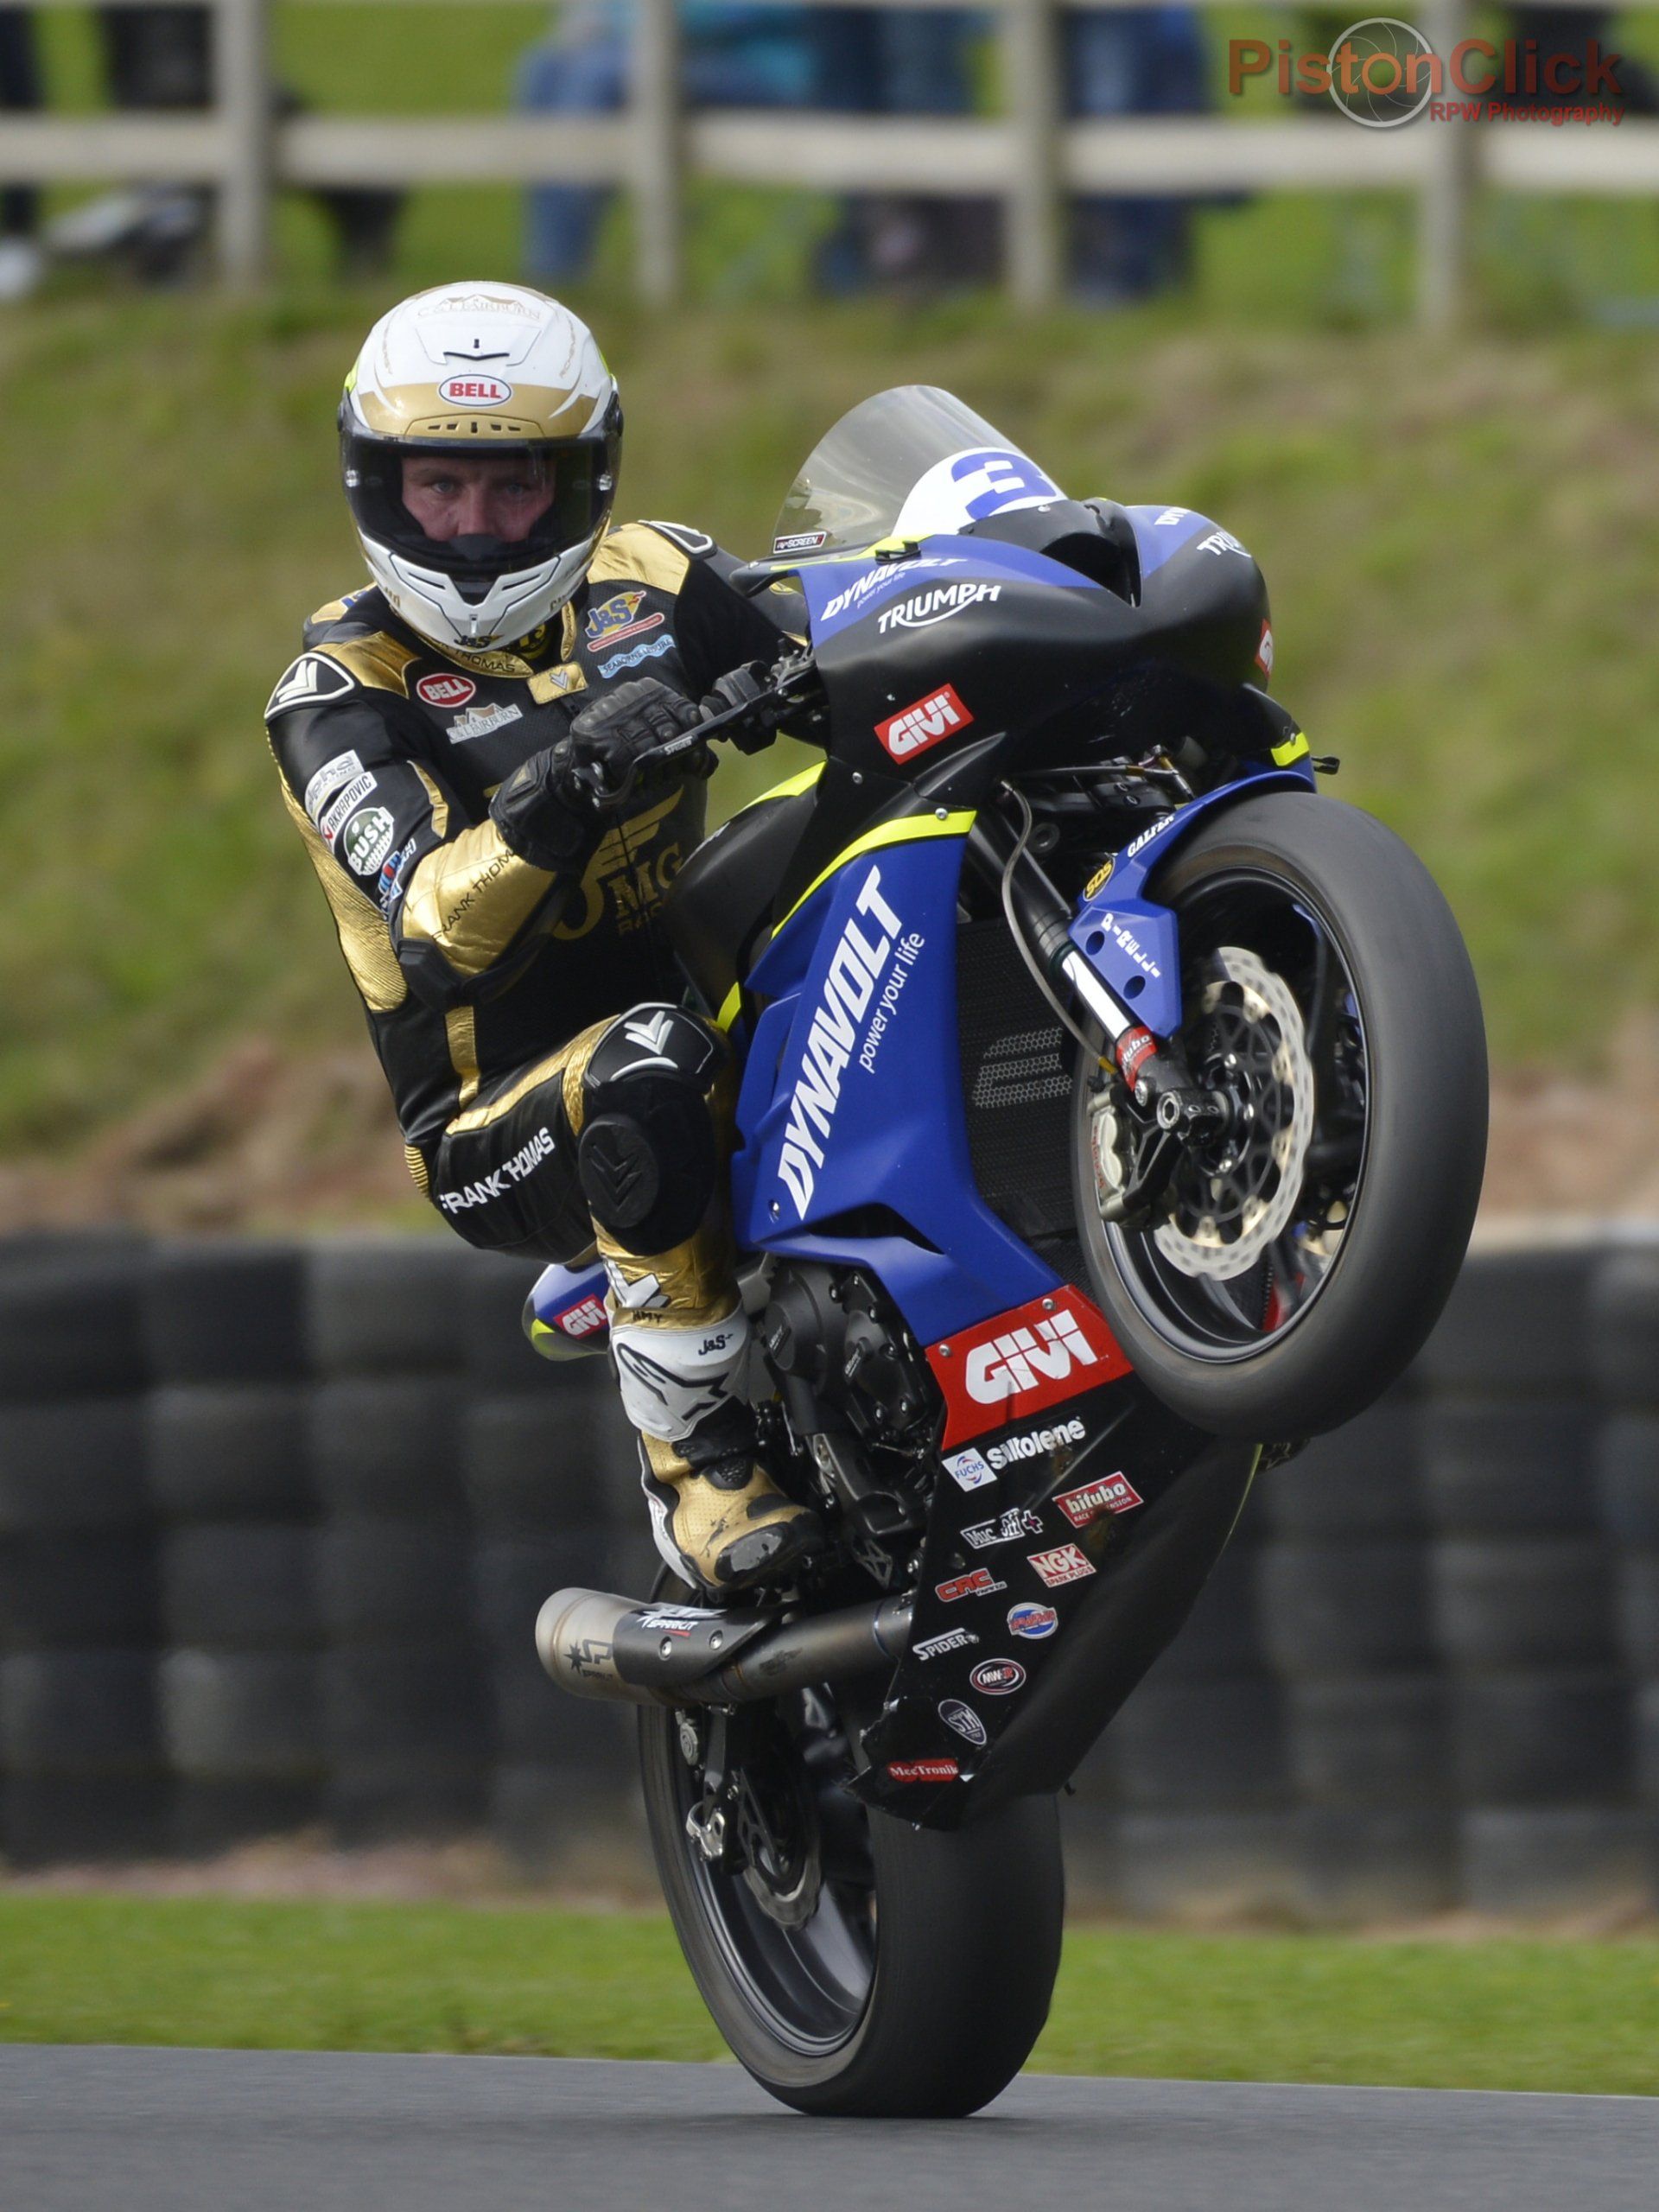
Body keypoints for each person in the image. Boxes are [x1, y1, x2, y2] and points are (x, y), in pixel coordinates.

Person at [264, 283, 823, 1593]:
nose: (468, 530)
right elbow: (433, 935)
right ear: (377, 486)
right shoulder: (336, 698)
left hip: (710, 1009)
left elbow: (837, 660)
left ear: (583, 483)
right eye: (436, 488)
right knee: (643, 1061)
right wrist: (564, 788)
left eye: (510, 489)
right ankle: (698, 1465)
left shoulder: (662, 577)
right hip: (491, 1119)